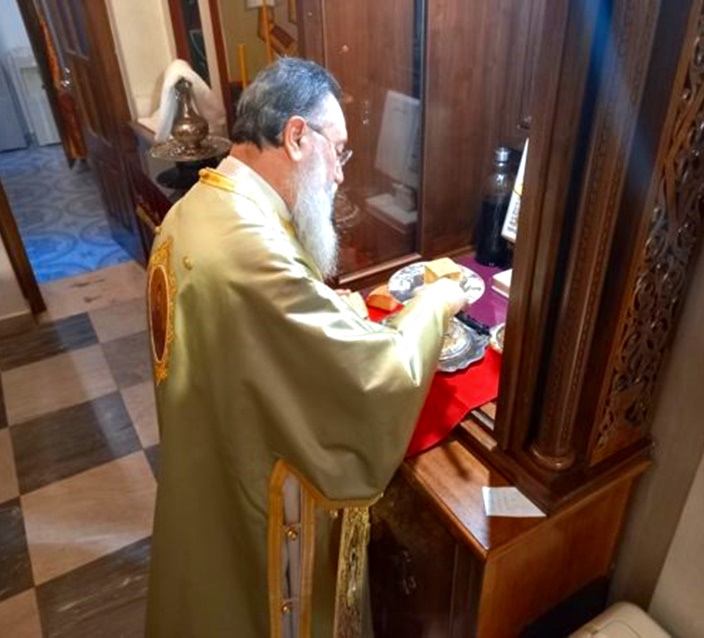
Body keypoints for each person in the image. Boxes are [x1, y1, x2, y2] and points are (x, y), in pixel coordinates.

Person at [145, 57, 467, 638]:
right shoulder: (250, 251)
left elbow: (245, 337)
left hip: (203, 475)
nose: (340, 174)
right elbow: (379, 374)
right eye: (338, 151)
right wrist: (435, 302)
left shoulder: (196, 208)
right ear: (296, 136)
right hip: (254, 507)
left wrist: (328, 307)